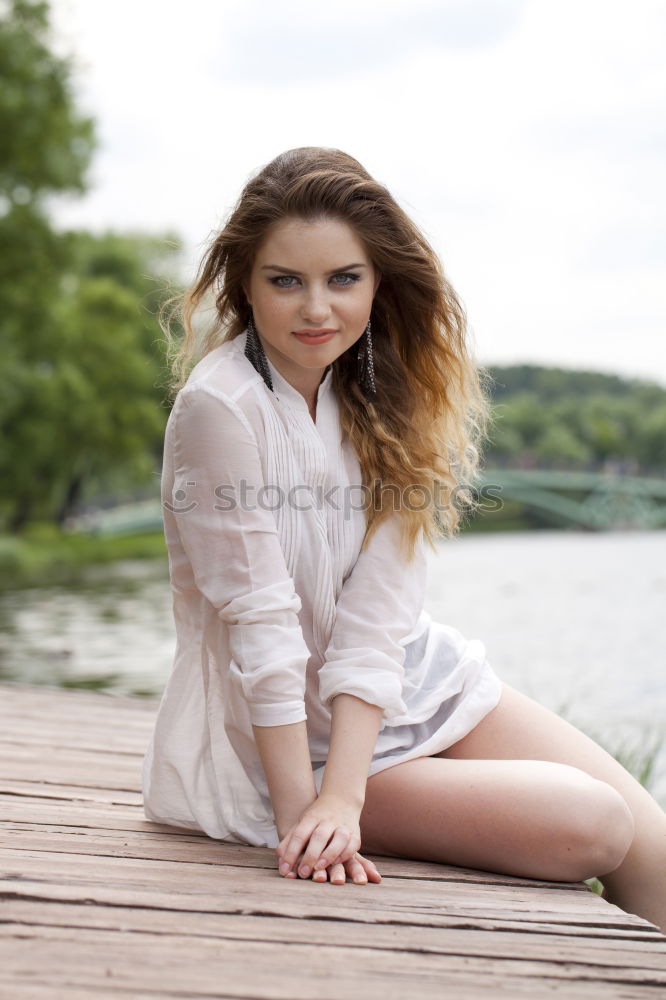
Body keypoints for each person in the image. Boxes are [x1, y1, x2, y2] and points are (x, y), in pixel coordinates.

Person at [142, 147, 665, 932]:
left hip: (406, 682)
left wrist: (352, 797)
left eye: (342, 279)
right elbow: (264, 628)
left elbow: (380, 613)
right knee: (595, 826)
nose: (317, 308)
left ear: (378, 281)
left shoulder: (387, 392)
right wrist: (312, 812)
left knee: (653, 849)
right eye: (286, 280)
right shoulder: (223, 408)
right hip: (288, 746)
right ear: (245, 285)